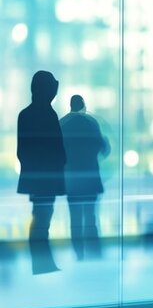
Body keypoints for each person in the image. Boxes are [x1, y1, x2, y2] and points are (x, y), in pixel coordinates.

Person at [17, 70, 66, 274]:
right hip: (47, 178)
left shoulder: (26, 114)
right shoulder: (48, 114)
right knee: (42, 218)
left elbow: (23, 151)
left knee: (40, 216)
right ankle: (42, 263)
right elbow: (56, 148)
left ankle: (41, 262)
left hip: (37, 177)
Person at [60, 95, 110, 261]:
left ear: (70, 106)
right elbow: (103, 148)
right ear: (84, 106)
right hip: (90, 177)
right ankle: (94, 251)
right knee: (90, 217)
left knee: (75, 218)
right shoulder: (91, 123)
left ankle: (78, 253)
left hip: (71, 179)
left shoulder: (62, 123)